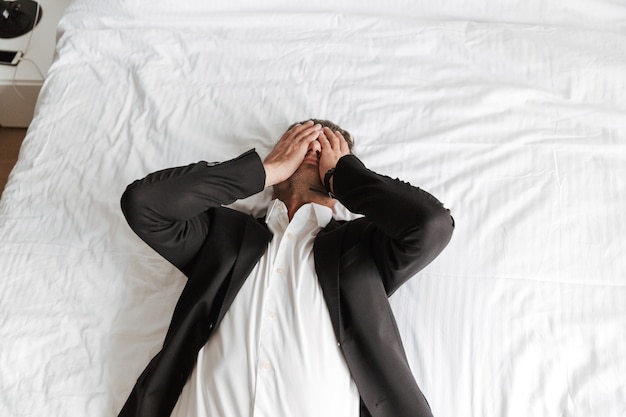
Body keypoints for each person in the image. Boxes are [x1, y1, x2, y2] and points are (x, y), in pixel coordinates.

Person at [118, 119, 454, 417]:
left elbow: (431, 224)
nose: (312, 149)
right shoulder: (224, 235)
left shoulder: (362, 247)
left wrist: (346, 177)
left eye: (326, 147)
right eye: (301, 141)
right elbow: (143, 204)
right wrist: (261, 172)